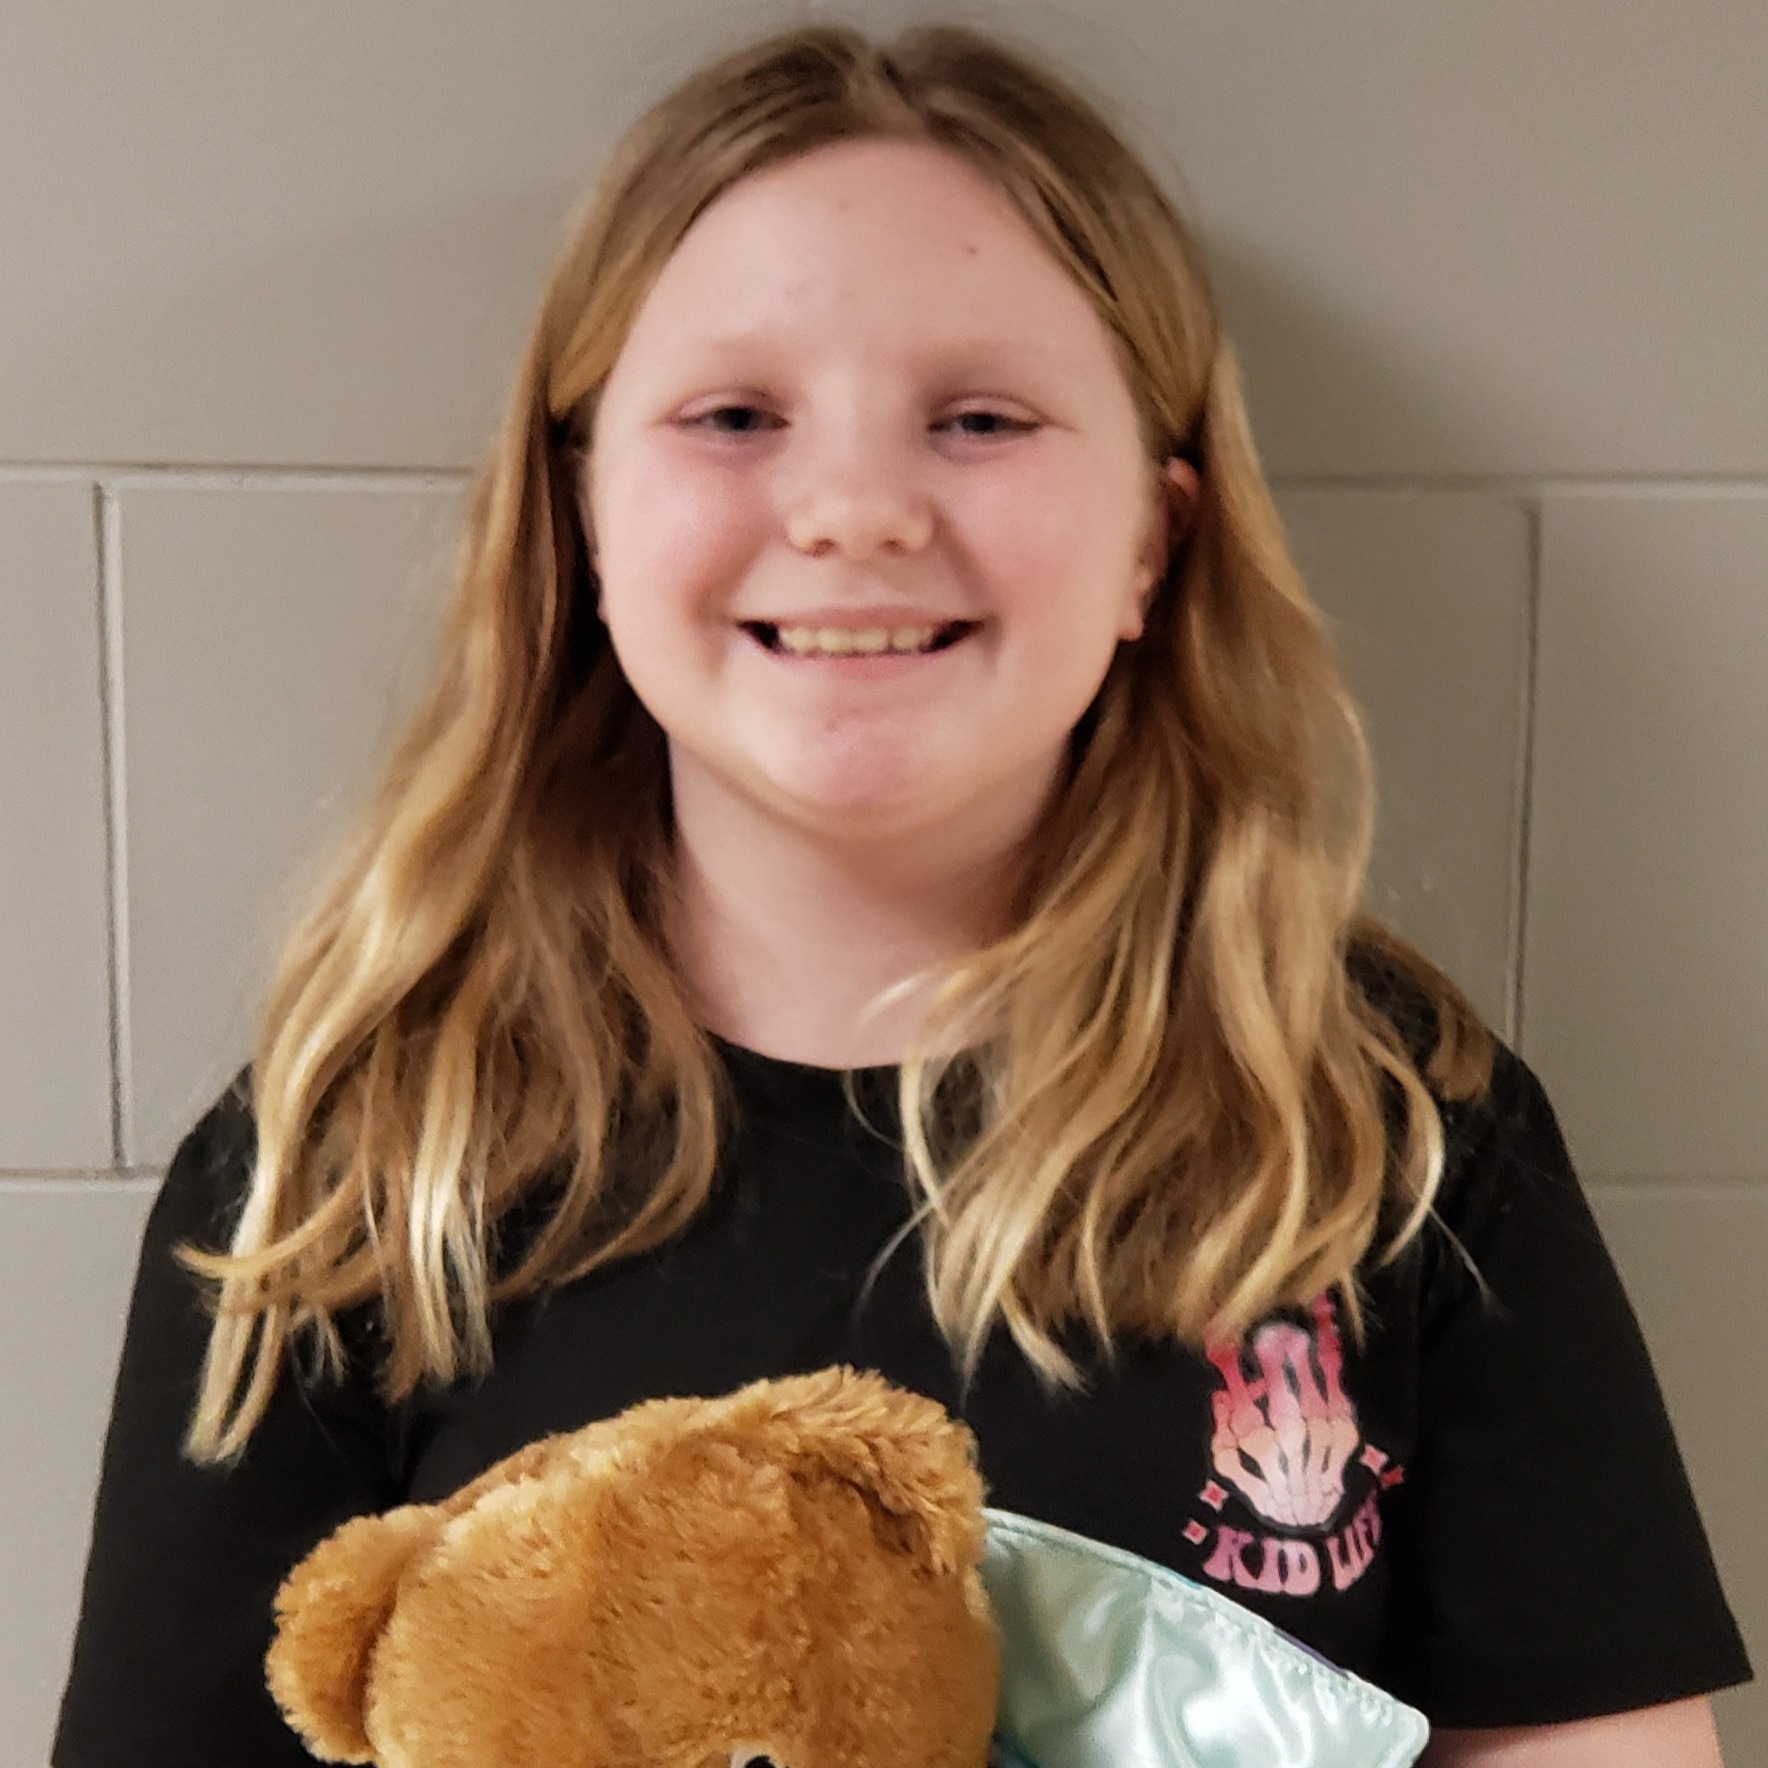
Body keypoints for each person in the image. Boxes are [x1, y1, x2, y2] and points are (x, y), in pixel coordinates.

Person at [54, 20, 1749, 1767]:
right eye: (733, 415)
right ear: (582, 522)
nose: (855, 507)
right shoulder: (343, 1175)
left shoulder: (1392, 1140)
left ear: (1155, 544)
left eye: (981, 418)